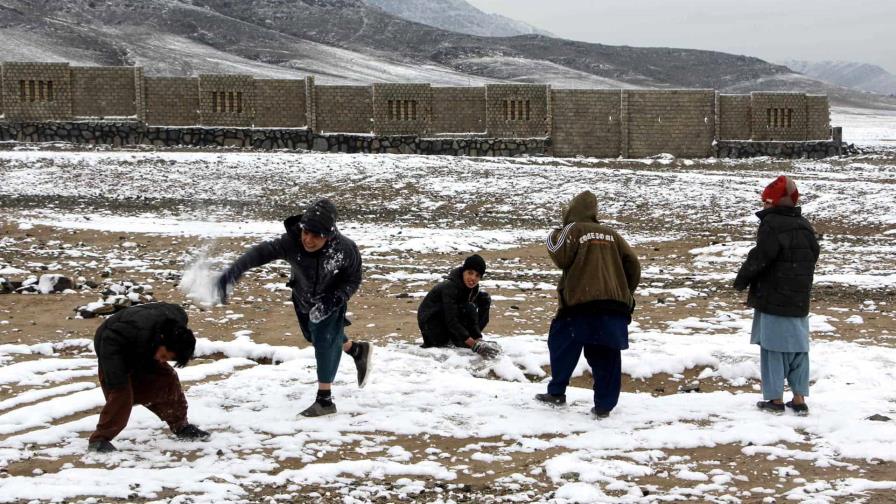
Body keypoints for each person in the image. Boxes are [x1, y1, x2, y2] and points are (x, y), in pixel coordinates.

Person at [216, 198, 372, 418]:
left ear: (328, 235)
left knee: (324, 340)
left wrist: (334, 300)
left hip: (331, 299)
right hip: (302, 297)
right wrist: (233, 273)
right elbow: (261, 252)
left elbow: (353, 279)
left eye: (316, 235)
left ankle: (325, 400)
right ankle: (356, 350)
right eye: (306, 232)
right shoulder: (291, 242)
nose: (308, 239)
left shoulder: (345, 249)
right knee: (314, 335)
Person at [536, 190, 641, 419]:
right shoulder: (612, 234)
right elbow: (633, 264)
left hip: (581, 303)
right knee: (607, 354)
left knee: (562, 344)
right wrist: (625, 293)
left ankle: (556, 392)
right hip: (614, 305)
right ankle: (604, 406)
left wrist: (558, 230)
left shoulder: (573, 230)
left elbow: (558, 254)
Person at [734, 176, 819, 416]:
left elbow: (761, 257)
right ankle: (799, 399)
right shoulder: (804, 224)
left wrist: (742, 281)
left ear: (771, 202)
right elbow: (813, 253)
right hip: (799, 298)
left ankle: (775, 400)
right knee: (798, 349)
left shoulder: (771, 224)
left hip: (774, 297)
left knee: (773, 348)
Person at [87, 302, 208, 453]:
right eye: (163, 356)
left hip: (145, 344)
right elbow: (109, 341)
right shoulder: (132, 331)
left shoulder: (177, 323)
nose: (163, 360)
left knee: (168, 378)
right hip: (111, 346)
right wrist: (116, 379)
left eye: (167, 358)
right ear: (163, 340)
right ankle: (99, 440)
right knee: (121, 393)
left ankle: (181, 426)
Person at [417, 254, 500, 358]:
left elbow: (471, 314)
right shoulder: (450, 286)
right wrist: (474, 345)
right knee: (468, 307)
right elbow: (451, 320)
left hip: (449, 325)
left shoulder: (472, 289)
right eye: (470, 273)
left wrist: (478, 339)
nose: (473, 278)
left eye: (477, 275)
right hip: (432, 327)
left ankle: (475, 339)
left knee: (483, 299)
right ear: (463, 271)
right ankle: (467, 341)